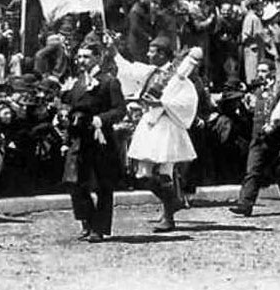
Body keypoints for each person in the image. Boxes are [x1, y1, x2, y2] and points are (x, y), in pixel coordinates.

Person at [125, 39, 200, 231]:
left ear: (162, 54)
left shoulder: (179, 77)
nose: (149, 55)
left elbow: (188, 101)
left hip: (168, 126)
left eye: (152, 52)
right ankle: (173, 201)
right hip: (150, 123)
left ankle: (168, 217)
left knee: (165, 172)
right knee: (142, 174)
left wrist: (164, 104)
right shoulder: (151, 73)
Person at [62, 42, 126, 243]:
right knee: (74, 182)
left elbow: (119, 110)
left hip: (100, 139)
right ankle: (86, 221)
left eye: (86, 57)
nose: (82, 60)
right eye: (79, 56)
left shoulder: (109, 82)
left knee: (102, 185)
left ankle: (98, 228)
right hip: (79, 138)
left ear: (98, 58)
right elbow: (71, 109)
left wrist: (102, 119)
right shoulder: (77, 82)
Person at [229, 60, 280, 217]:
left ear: (272, 73)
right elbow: (253, 115)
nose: (260, 74)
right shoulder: (257, 91)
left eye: (263, 71)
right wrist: (245, 108)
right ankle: (245, 204)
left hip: (275, 138)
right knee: (252, 171)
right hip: (258, 138)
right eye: (259, 71)